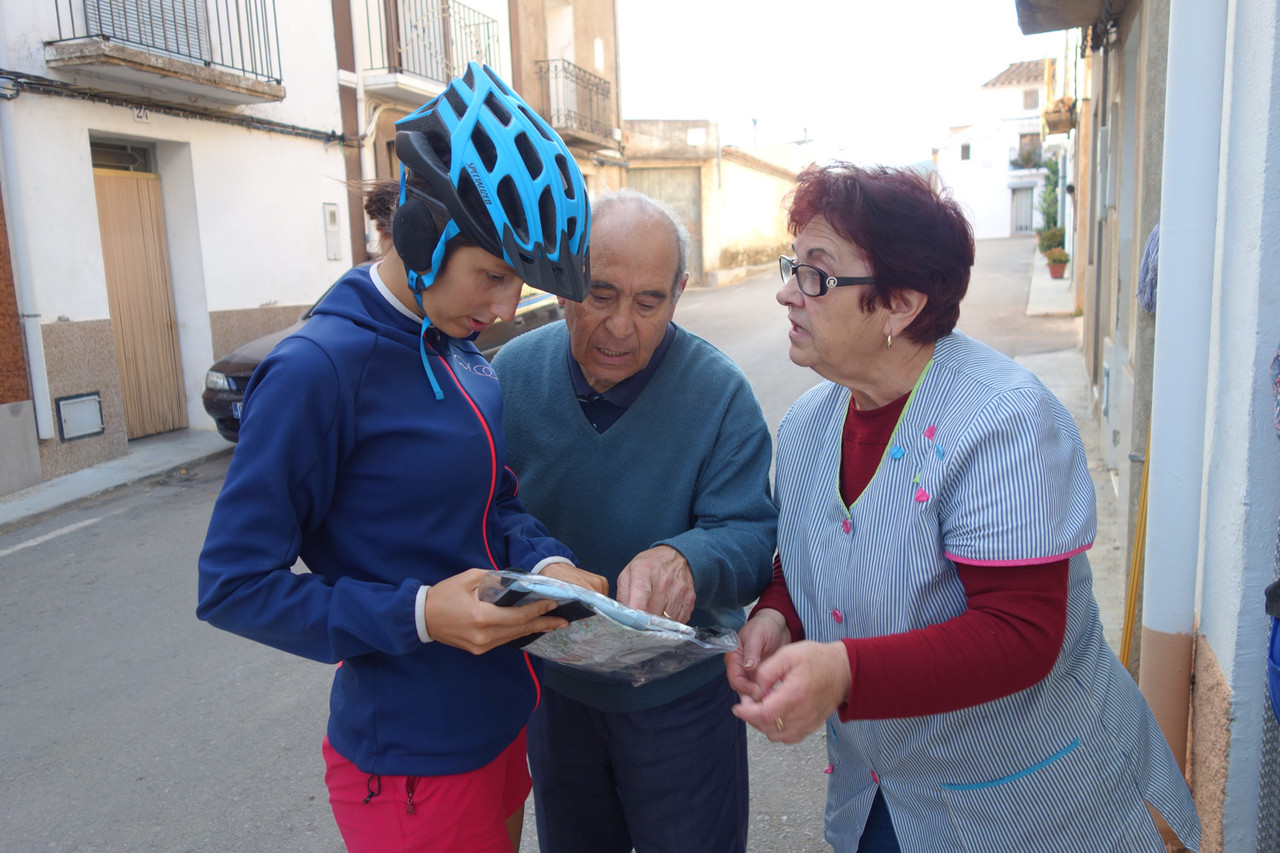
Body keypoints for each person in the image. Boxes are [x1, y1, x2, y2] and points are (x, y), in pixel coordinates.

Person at [725, 162, 1202, 852]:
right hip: (884, 792)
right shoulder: (807, 424)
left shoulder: (1003, 421)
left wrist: (844, 672)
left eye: (816, 275)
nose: (785, 293)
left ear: (900, 305)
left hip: (1026, 804)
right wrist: (777, 613)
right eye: (790, 265)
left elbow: (1020, 629)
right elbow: (815, 551)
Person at [196, 63, 606, 853]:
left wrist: (546, 562)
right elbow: (232, 586)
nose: (500, 309)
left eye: (515, 284)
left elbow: (494, 507)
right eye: (490, 276)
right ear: (423, 232)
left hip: (501, 721)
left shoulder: (461, 351)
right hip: (413, 763)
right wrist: (418, 614)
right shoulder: (318, 369)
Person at [493, 189, 777, 853]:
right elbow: (480, 513)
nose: (622, 324)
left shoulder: (721, 393)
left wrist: (686, 558)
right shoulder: (509, 377)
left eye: (649, 301)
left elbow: (752, 535)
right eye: (600, 293)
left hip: (681, 698)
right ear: (563, 285)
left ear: (679, 294)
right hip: (555, 690)